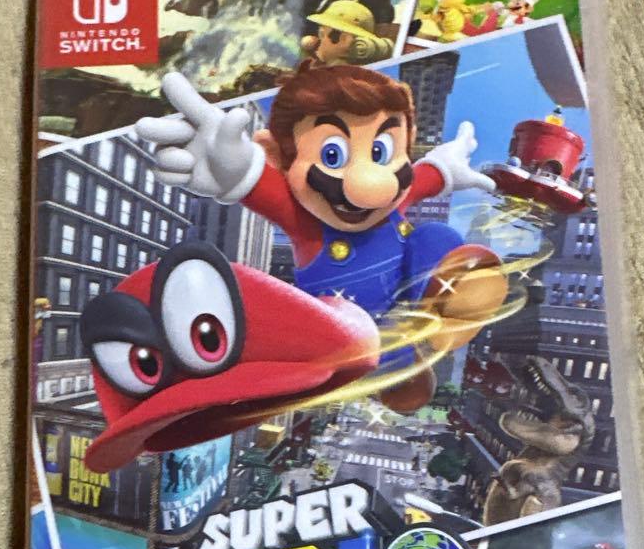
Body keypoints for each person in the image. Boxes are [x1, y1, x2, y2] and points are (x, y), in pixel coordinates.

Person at [135, 66, 507, 411]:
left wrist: (446, 166)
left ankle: (452, 305)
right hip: (356, 329)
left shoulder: (396, 199)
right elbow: (259, 185)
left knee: (434, 237)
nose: (371, 186)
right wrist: (233, 170)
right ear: (277, 157)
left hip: (410, 302)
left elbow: (427, 176)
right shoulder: (306, 223)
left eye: (381, 152)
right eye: (333, 154)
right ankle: (400, 369)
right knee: (387, 355)